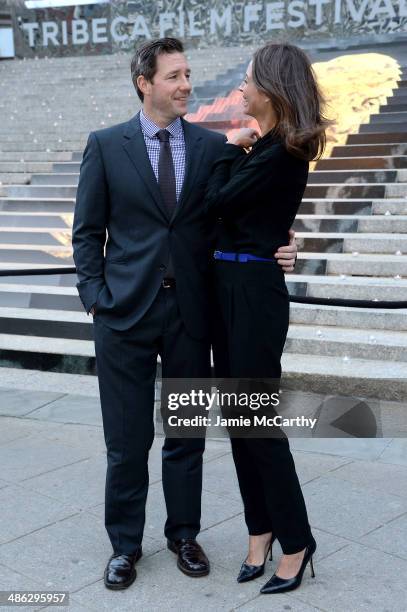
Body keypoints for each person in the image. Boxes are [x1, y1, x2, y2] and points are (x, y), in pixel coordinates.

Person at [72, 37, 298, 591]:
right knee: (125, 440)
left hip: (192, 313)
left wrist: (282, 242)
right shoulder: (105, 145)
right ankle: (125, 546)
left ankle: (183, 536)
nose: (186, 85)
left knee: (186, 435)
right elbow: (86, 233)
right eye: (174, 76)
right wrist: (96, 298)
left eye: (189, 74)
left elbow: (241, 214)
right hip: (123, 315)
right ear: (144, 83)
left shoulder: (211, 146)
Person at [205, 42, 330, 595]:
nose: (242, 89)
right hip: (227, 291)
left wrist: (230, 149)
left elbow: (218, 203)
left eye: (249, 80)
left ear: (273, 87)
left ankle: (297, 541)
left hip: (254, 296)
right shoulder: (266, 150)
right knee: (238, 423)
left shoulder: (281, 151)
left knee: (257, 423)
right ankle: (260, 530)